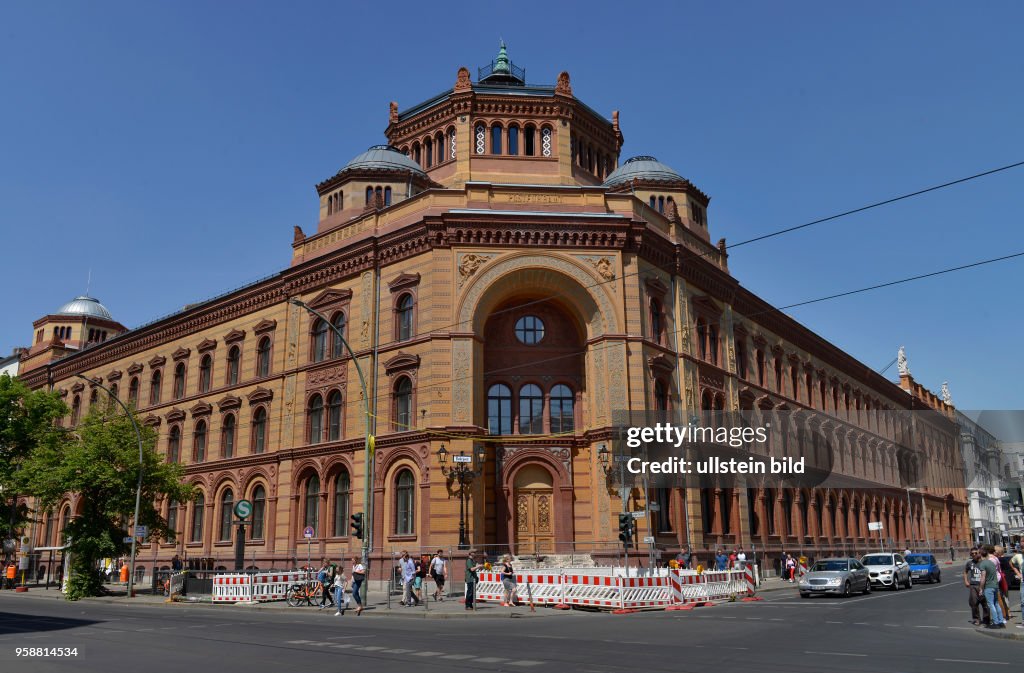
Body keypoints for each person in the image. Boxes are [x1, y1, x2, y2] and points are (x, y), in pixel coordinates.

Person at [979, 546, 1006, 629]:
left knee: (991, 604)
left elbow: (983, 577)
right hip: (995, 585)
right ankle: (1001, 622)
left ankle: (996, 622)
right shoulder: (991, 562)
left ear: (980, 555)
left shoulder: (983, 564)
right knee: (996, 603)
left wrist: (981, 588)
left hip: (989, 586)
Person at [963, 547, 990, 625]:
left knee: (985, 603)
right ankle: (976, 619)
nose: (974, 555)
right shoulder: (969, 563)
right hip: (973, 586)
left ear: (979, 553)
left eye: (976, 553)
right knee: (973, 603)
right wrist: (966, 581)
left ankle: (986, 619)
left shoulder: (984, 562)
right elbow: (965, 572)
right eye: (972, 553)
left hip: (984, 585)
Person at [1011, 547, 1024, 629]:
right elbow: (1011, 563)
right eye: (1022, 547)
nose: (1022, 549)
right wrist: (1018, 573)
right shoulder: (1018, 556)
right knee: (1023, 602)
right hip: (1023, 582)